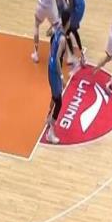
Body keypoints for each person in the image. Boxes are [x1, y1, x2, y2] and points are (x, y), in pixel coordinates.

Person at [45, 10, 70, 144]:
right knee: (59, 102)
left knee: (54, 97)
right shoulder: (62, 40)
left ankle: (48, 116)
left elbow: (48, 34)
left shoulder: (57, 28)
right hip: (54, 70)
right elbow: (57, 59)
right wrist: (61, 77)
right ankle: (50, 132)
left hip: (50, 67)